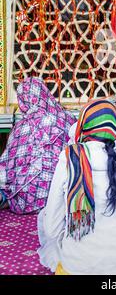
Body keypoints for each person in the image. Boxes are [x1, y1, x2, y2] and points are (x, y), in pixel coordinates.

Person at [37, 99, 116, 275]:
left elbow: (52, 230)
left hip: (75, 268)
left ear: (82, 126)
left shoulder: (68, 161)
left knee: (44, 217)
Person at [0, 77, 76, 213]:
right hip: (61, 199)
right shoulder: (68, 118)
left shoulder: (21, 127)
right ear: (45, 93)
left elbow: (6, 167)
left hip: (24, 203)